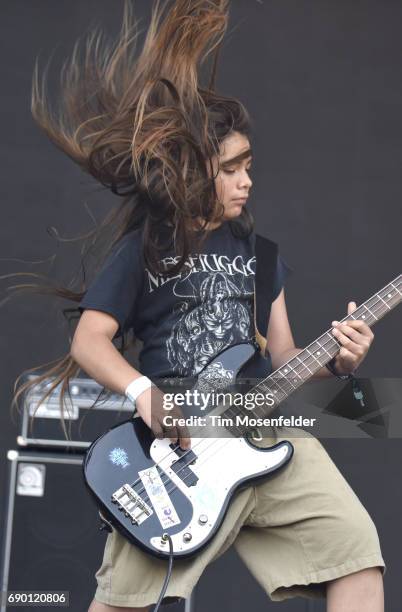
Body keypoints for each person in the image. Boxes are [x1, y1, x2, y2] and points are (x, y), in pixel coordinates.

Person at [13, 1, 385, 610]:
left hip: (267, 437)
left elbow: (287, 359)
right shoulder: (147, 250)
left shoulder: (262, 256)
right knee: (120, 603)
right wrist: (146, 396)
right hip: (179, 451)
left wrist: (341, 361)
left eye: (250, 168)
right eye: (232, 169)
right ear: (193, 172)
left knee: (358, 557)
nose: (247, 181)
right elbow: (88, 340)